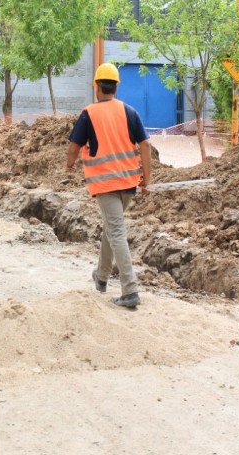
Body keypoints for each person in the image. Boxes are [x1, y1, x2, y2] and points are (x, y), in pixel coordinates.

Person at [67, 62, 152, 308]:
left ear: (97, 86)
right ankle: (101, 276)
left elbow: (73, 147)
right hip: (128, 185)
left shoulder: (89, 114)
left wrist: (70, 165)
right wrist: (147, 178)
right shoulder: (130, 112)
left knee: (116, 232)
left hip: (105, 185)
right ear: (116, 87)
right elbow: (145, 145)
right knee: (111, 228)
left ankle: (130, 290)